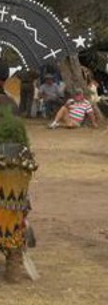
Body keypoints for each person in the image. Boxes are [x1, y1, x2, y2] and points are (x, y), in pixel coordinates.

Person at [0, 59, 39, 283]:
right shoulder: (11, 104)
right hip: (15, 173)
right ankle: (13, 264)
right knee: (12, 213)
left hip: (7, 168)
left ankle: (14, 262)